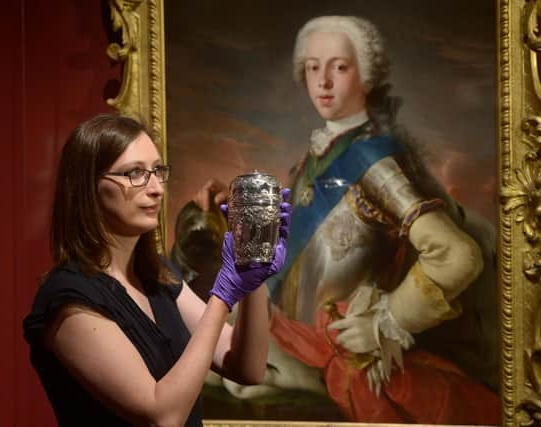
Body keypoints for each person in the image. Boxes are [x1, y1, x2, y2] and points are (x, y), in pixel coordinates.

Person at [191, 15, 499, 424]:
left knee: (219, 368)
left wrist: (387, 320)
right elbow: (306, 248)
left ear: (366, 75)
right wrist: (238, 200)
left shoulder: (375, 162)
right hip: (291, 334)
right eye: (314, 67)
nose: (324, 81)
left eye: (339, 66)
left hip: (333, 352)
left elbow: (458, 254)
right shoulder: (314, 159)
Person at [23, 113, 291, 427]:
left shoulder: (158, 277)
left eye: (157, 171)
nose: (156, 189)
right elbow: (162, 415)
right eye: (135, 173)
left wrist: (252, 272)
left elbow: (248, 368)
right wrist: (223, 294)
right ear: (88, 186)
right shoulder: (69, 298)